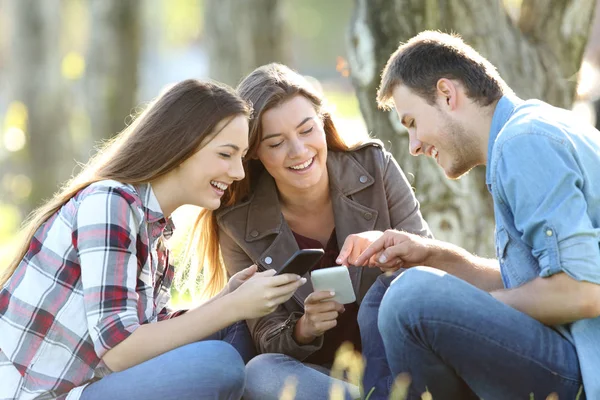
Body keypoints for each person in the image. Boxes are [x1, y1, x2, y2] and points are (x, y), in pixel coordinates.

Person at [0, 79, 307, 400]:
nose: (238, 173)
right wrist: (231, 306)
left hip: (98, 383)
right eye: (226, 154)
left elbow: (151, 330)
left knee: (237, 329)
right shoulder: (109, 202)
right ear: (181, 147)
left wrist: (227, 298)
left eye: (241, 157)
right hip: (48, 395)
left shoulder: (156, 229)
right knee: (220, 363)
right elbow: (119, 349)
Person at [345, 31, 600, 399]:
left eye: (412, 122)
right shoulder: (531, 131)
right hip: (567, 352)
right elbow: (542, 279)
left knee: (410, 298)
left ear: (447, 95)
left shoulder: (523, 142)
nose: (414, 146)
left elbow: (582, 292)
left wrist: (468, 312)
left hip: (583, 370)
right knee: (395, 286)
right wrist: (436, 258)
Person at [193, 63, 431, 400]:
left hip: (402, 363)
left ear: (322, 123)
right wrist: (303, 329)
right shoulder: (236, 224)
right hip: (325, 380)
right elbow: (264, 332)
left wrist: (391, 252)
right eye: (276, 143)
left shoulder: (374, 168)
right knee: (260, 374)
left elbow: (430, 269)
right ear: (255, 154)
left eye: (307, 130)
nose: (299, 151)